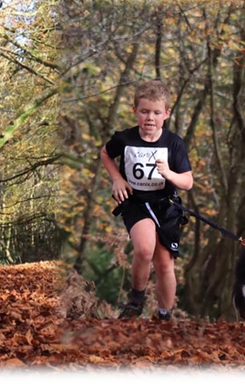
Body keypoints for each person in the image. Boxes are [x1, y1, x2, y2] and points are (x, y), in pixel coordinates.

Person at [99, 80, 193, 320]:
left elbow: (188, 182)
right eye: (144, 111)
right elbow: (105, 153)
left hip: (166, 207)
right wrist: (117, 179)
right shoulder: (125, 138)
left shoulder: (174, 143)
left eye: (156, 112)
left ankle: (164, 316)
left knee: (164, 265)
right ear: (135, 112)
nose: (150, 118)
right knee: (143, 248)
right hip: (136, 204)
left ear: (166, 114)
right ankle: (136, 300)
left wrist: (169, 173)